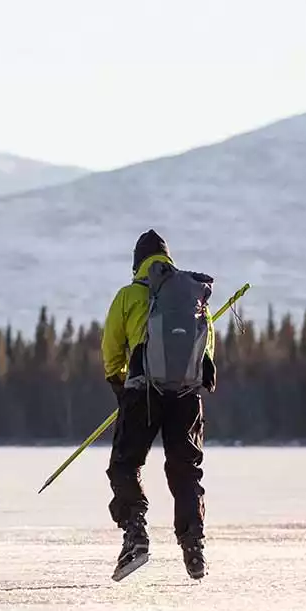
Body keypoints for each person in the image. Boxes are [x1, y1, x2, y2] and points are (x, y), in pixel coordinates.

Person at [102, 229, 218, 581]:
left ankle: (135, 535)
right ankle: (193, 547)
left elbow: (112, 348)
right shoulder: (193, 297)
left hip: (144, 394)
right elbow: (207, 347)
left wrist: (119, 384)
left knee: (125, 465)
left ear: (138, 263)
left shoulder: (129, 296)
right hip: (186, 396)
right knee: (185, 471)